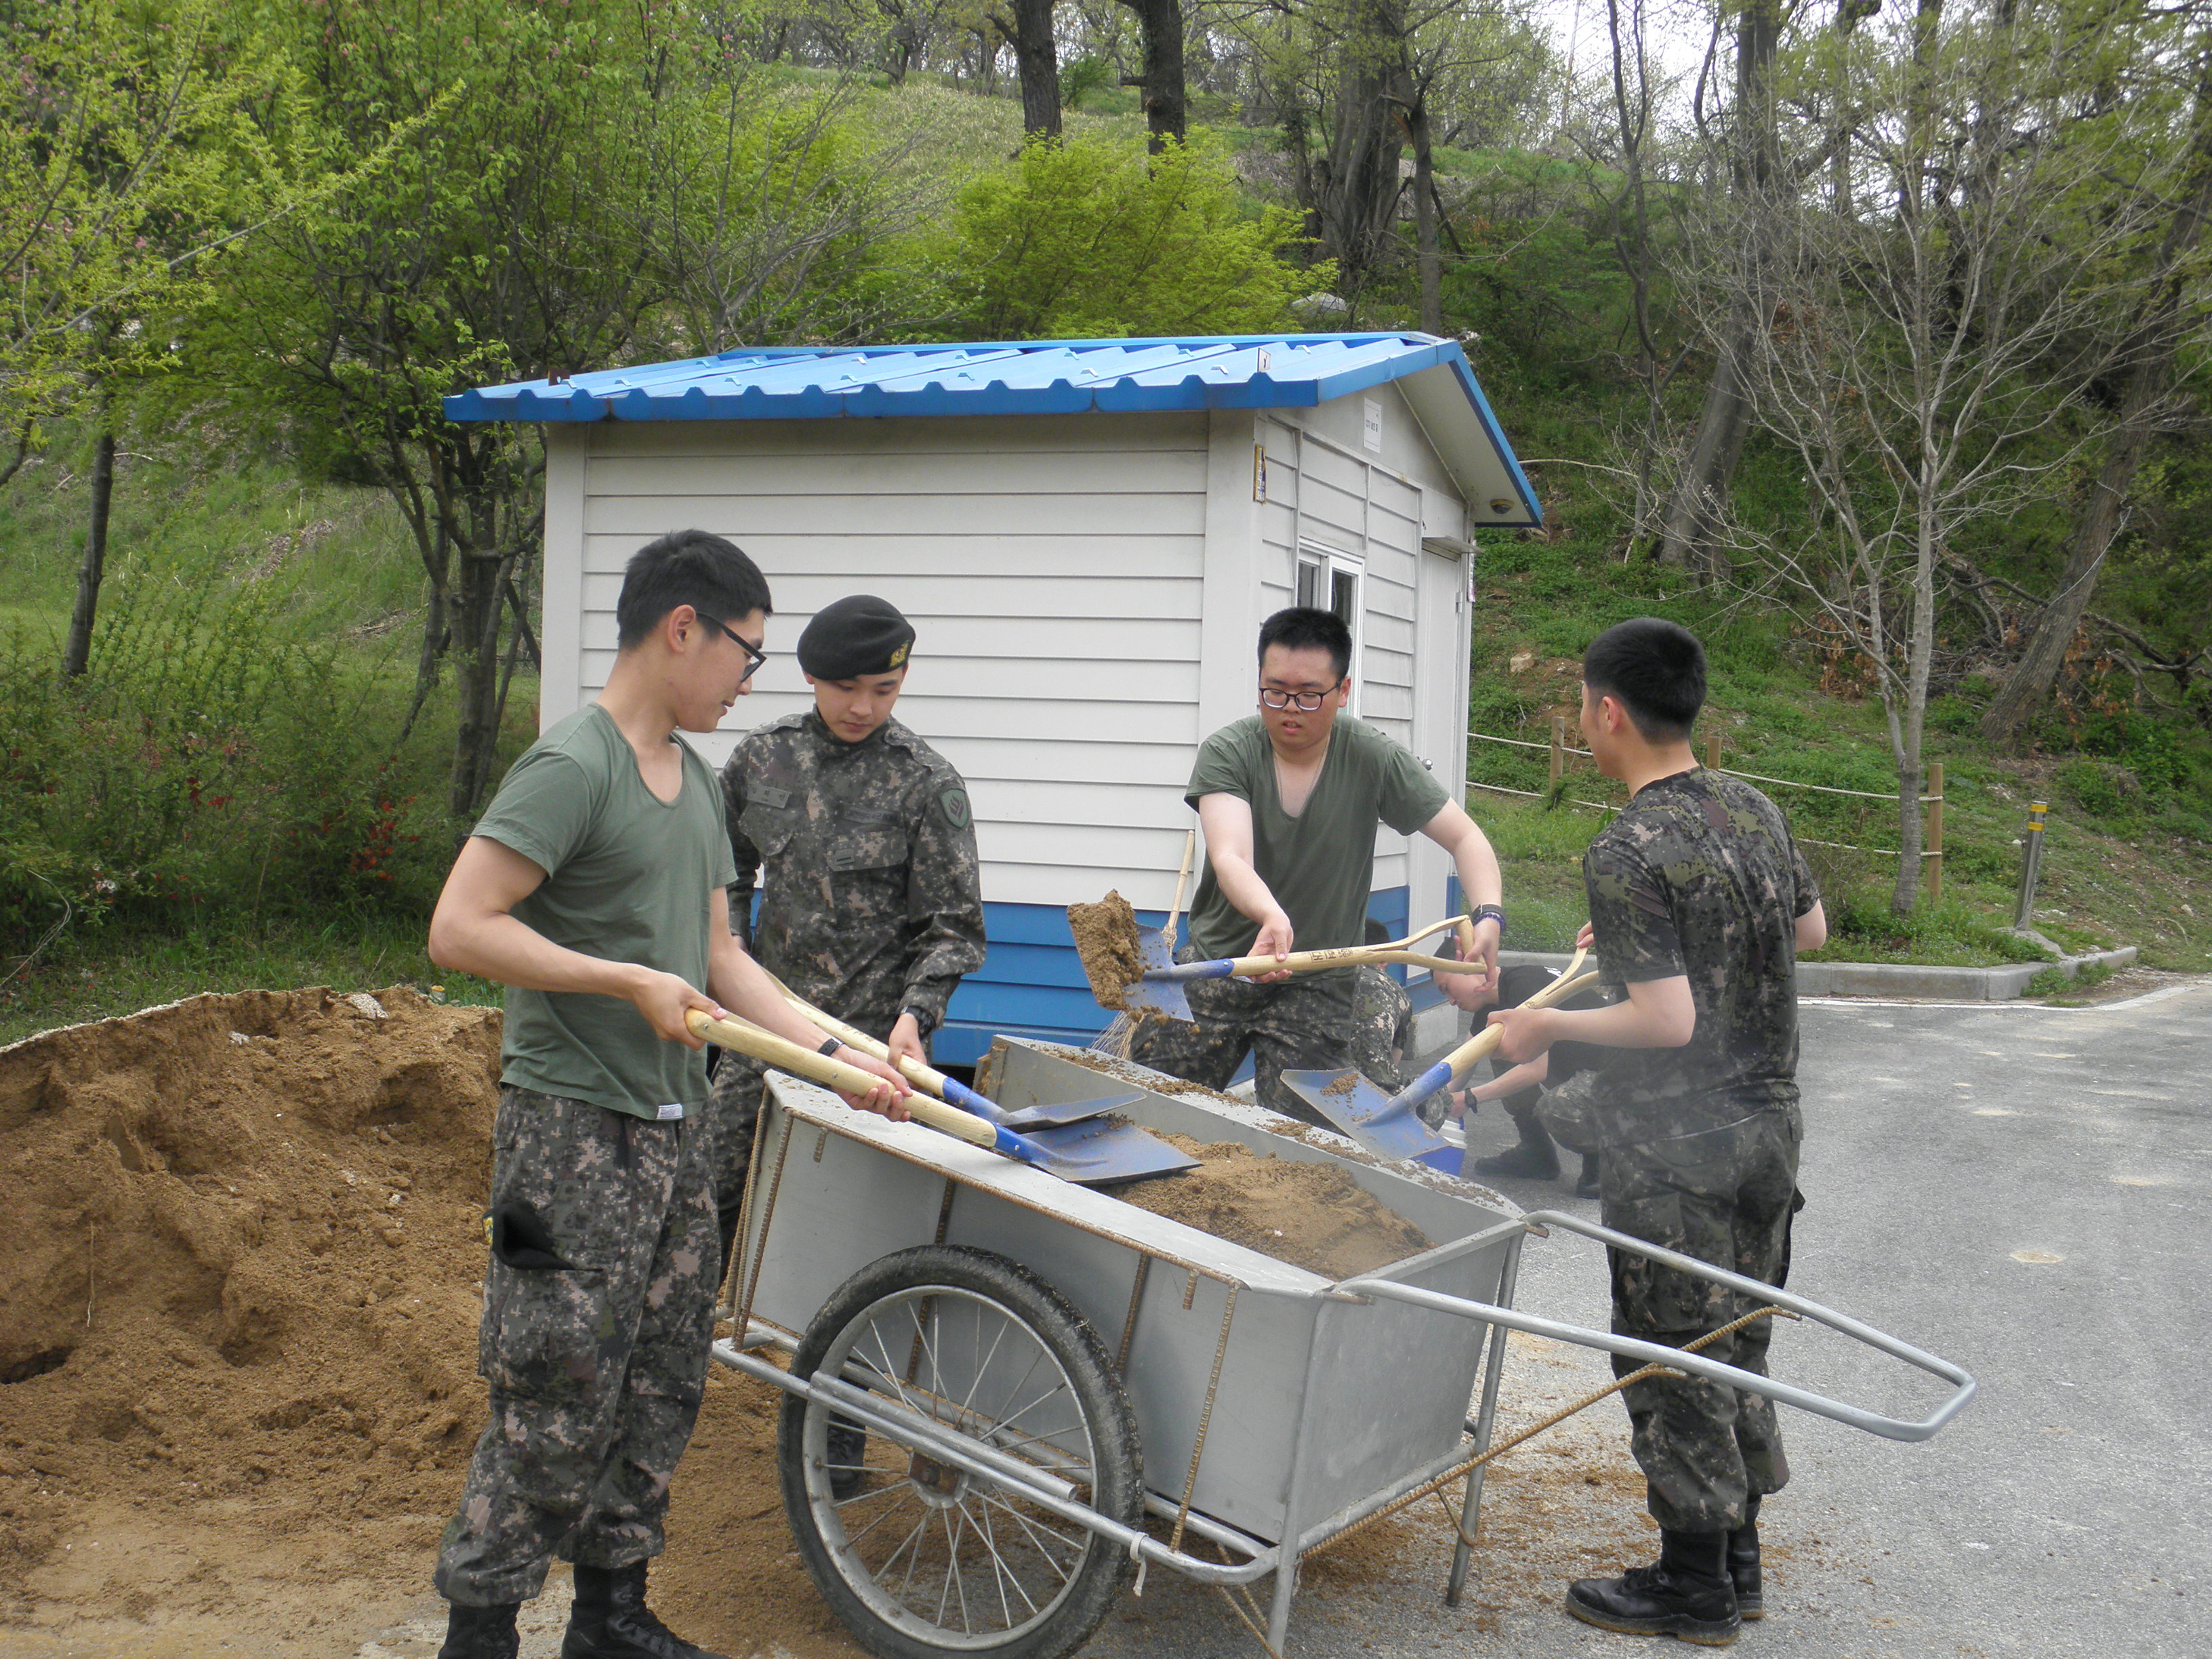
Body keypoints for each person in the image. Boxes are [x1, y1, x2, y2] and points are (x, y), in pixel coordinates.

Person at [423, 531, 909, 1659]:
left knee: (660, 1374)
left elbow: (721, 959)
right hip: (568, 1132)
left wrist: (841, 1056)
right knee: (554, 1384)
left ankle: (609, 1617)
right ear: (682, 627)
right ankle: (481, 1630)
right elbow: (459, 927)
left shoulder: (692, 781)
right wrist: (620, 979)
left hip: (670, 1127)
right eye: (747, 649)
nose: (752, 677)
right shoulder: (571, 767)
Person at [1487, 618, 1825, 1648]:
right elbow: (1806, 928)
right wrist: (1651, 942)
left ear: (1608, 711)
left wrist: (1545, 1022)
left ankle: (1691, 1586)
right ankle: (1741, 1559)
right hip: (1771, 1129)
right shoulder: (1749, 804)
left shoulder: (1629, 843)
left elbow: (1665, 1021)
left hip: (1679, 1152)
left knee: (1673, 1352)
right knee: (1739, 1340)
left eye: (1583, 708)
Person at [1131, 606, 1505, 1124]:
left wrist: (1489, 914)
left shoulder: (1374, 759)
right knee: (1152, 1109)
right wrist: (1272, 916)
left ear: (1343, 691)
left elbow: (1466, 838)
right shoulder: (1229, 752)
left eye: (1310, 694)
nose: (1290, 708)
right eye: (1274, 690)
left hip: (1320, 984)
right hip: (1223, 966)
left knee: (1304, 1144)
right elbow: (1231, 855)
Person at [708, 594, 986, 1270]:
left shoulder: (926, 785)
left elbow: (952, 931)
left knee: (838, 1225)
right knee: (703, 1191)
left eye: (883, 689)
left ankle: (818, 1369)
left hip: (869, 1055)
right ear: (810, 677)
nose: (863, 707)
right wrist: (729, 946)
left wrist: (917, 1018)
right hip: (765, 1026)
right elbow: (724, 869)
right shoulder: (762, 759)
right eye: (846, 688)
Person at [1460, 961, 1610, 1196]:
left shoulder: (1525, 985)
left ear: (1471, 974)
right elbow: (1462, 1060)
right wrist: (1430, 1097)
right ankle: (1537, 1153)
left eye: (1446, 987)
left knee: (1559, 1107)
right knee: (1501, 1047)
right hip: (1583, 1072)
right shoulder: (1493, 1003)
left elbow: (1535, 1070)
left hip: (1620, 1079)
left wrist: (1469, 1098)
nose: (1449, 1000)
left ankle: (1605, 1159)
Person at [1349, 918, 1416, 1093]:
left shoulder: (1326, 977)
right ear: (1384, 959)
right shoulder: (1398, 995)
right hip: (1369, 1090)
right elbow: (1395, 1057)